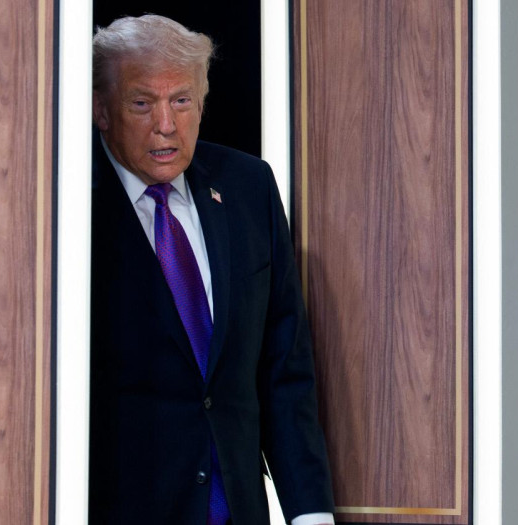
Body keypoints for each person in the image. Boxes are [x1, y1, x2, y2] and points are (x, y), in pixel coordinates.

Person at [89, 15, 335, 525]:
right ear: (101, 109)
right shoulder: (71, 215)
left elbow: (283, 370)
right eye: (141, 103)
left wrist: (310, 513)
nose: (165, 123)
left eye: (181, 100)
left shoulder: (248, 187)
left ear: (201, 104)